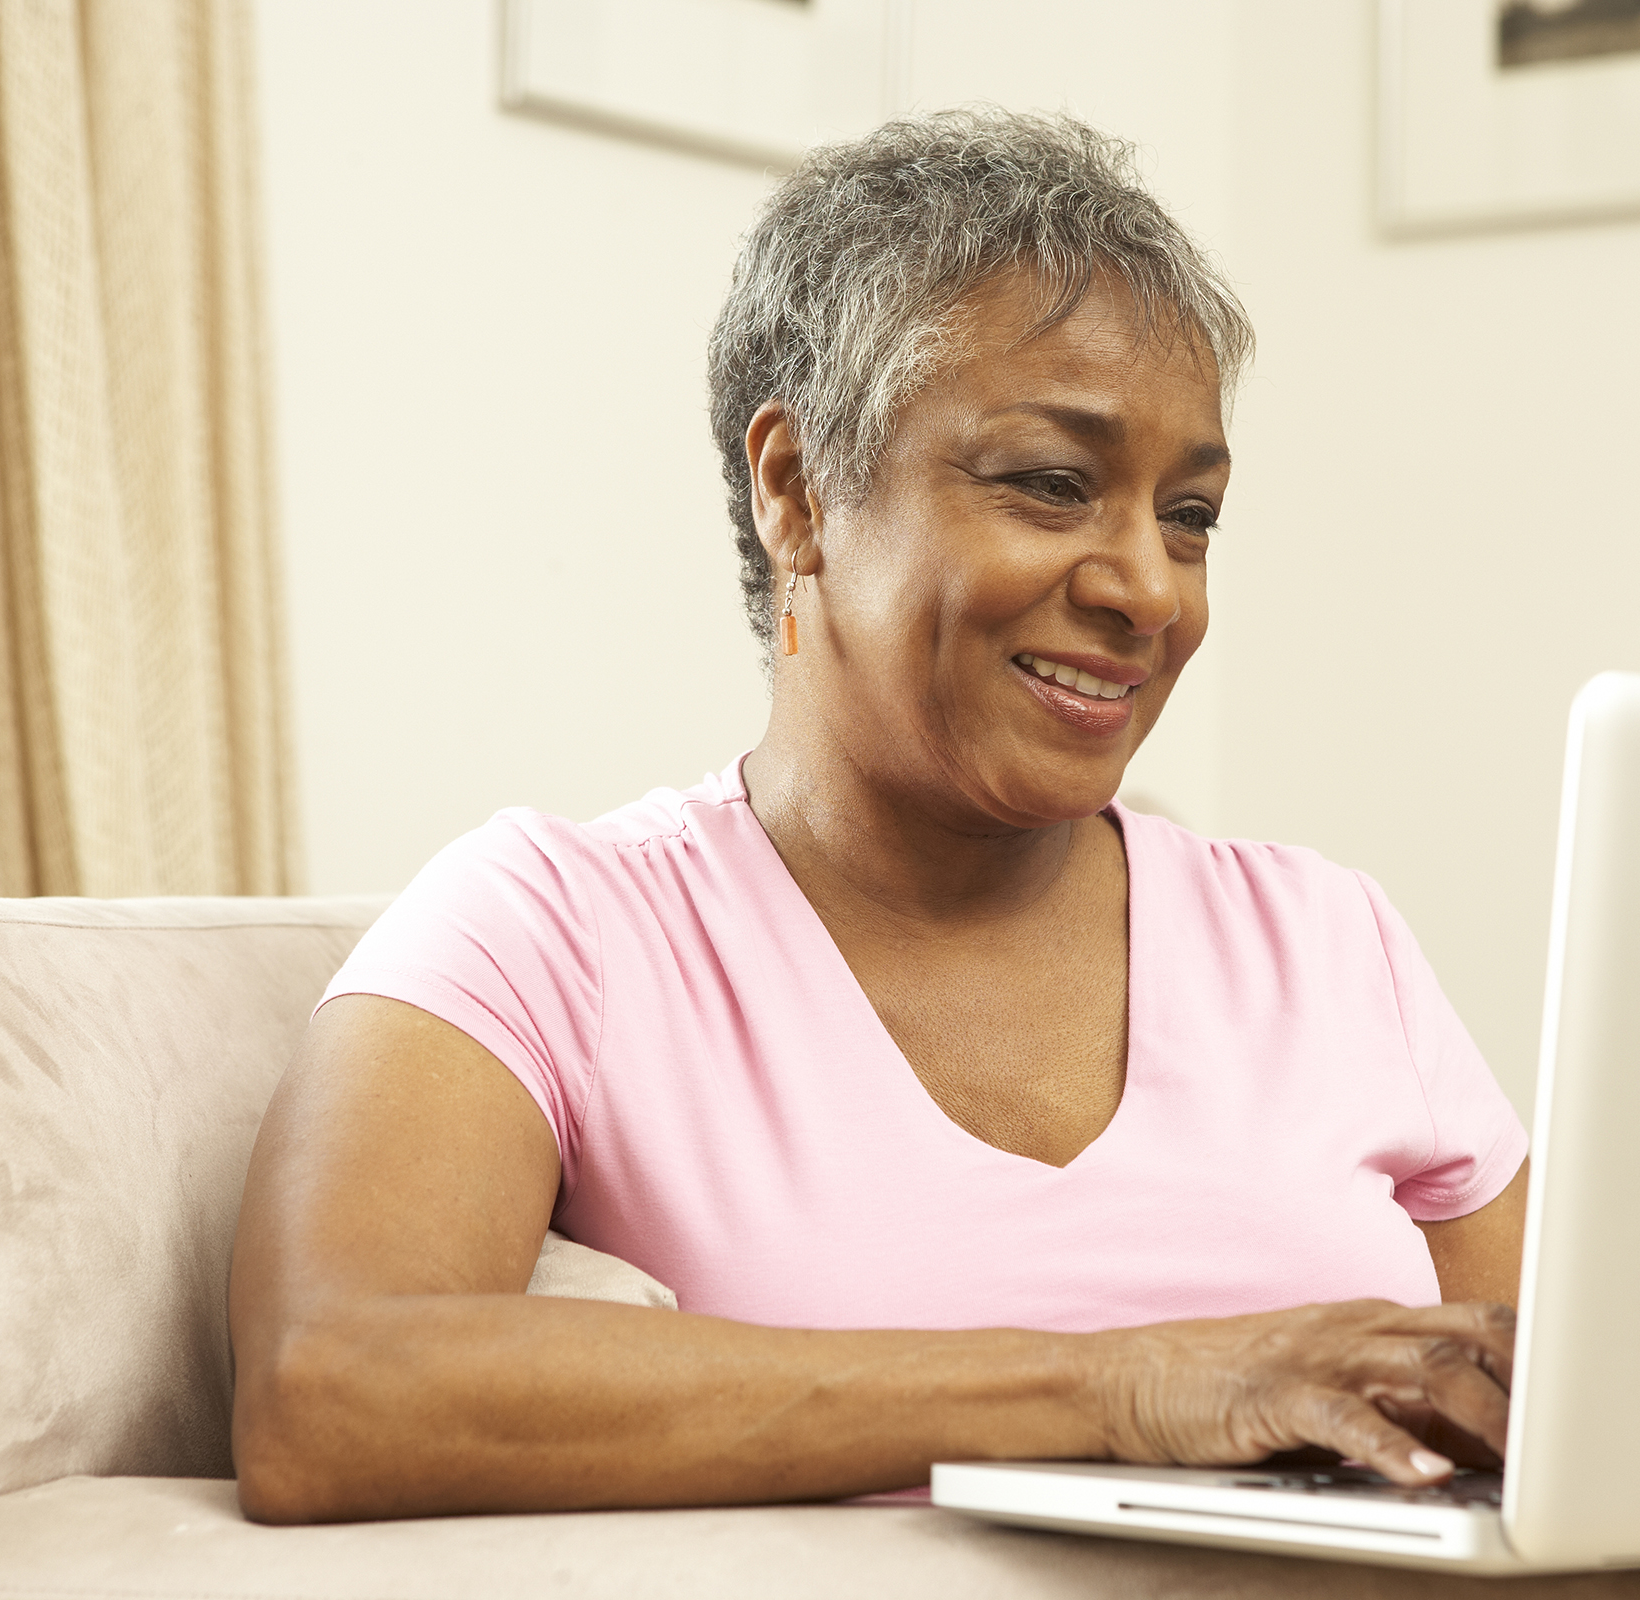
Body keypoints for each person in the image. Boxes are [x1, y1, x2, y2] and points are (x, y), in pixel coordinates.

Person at [228, 109, 1530, 1525]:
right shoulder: (557, 924)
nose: (1152, 589)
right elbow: (328, 1386)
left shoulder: (1326, 937)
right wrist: (1125, 1388)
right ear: (797, 492)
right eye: (1052, 482)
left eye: (1192, 514)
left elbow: (1586, 1416)